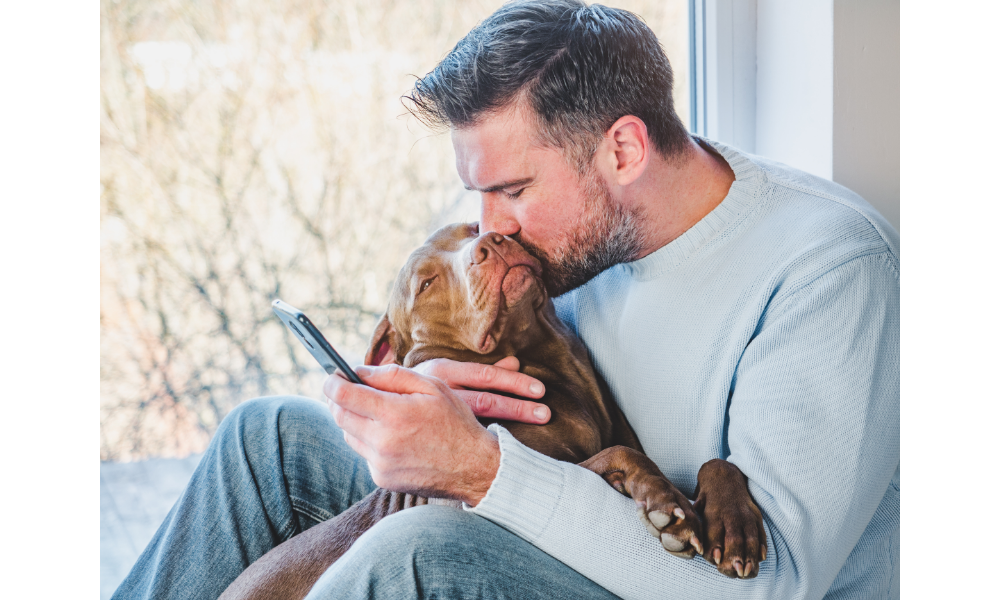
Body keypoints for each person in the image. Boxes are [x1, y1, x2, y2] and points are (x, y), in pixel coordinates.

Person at [113, 1, 899, 599]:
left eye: (513, 188)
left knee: (412, 548)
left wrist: (483, 469)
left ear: (623, 149)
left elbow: (771, 584)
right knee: (269, 439)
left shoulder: (826, 270)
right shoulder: (567, 243)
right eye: (478, 193)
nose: (493, 226)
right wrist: (440, 392)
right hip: (570, 502)